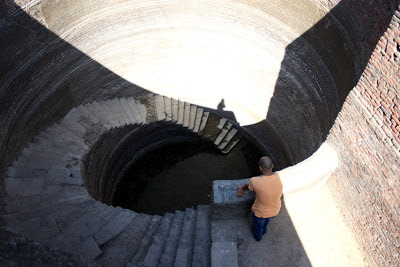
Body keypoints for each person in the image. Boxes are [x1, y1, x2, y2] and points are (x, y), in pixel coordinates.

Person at [236, 156, 283, 241]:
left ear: (260, 168)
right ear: (272, 166)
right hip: (275, 210)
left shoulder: (255, 181)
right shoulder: (279, 177)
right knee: (266, 221)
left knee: (258, 226)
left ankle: (258, 237)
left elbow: (248, 187)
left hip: (261, 213)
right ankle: (264, 231)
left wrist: (242, 188)